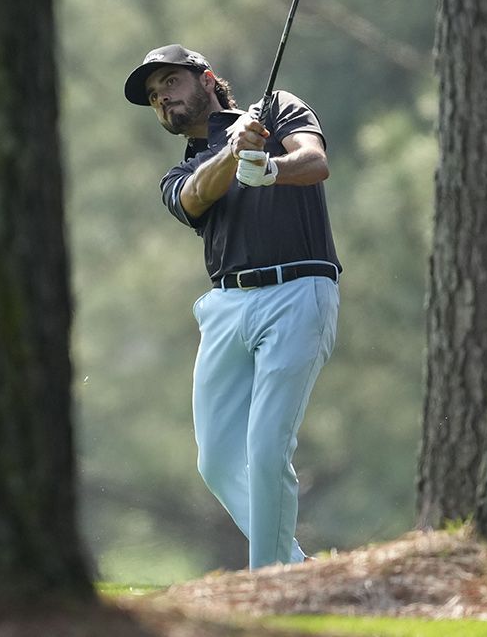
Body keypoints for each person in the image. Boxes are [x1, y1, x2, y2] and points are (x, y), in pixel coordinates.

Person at [122, 43, 341, 569]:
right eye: (154, 97)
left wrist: (270, 167)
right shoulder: (180, 173)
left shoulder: (277, 108)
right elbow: (196, 196)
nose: (162, 100)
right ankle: (294, 569)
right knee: (217, 461)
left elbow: (314, 163)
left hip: (298, 289)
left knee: (267, 452)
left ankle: (271, 584)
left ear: (207, 78)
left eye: (170, 83)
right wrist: (233, 152)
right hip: (225, 307)